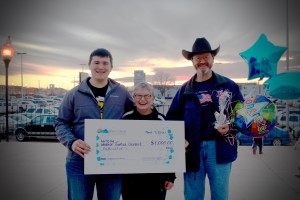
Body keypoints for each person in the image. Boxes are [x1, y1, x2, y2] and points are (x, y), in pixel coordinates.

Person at [166, 37, 244, 200]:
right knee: (193, 196)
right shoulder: (184, 90)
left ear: (213, 59)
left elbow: (242, 113)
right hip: (192, 151)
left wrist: (231, 127)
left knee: (220, 196)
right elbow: (172, 117)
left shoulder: (229, 86)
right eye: (198, 58)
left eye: (206, 57)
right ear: (192, 61)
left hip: (220, 148)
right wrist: (180, 138)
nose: (202, 61)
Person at [55, 48, 134, 200]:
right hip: (79, 161)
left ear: (111, 67)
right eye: (96, 62)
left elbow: (136, 117)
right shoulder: (74, 93)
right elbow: (60, 122)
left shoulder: (122, 92)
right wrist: (71, 142)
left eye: (105, 63)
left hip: (113, 162)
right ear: (89, 65)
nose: (101, 67)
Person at [121, 82, 176, 200]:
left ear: (153, 98)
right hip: (131, 179)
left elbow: (169, 149)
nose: (142, 99)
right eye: (138, 96)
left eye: (147, 96)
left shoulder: (161, 120)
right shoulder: (126, 118)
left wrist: (170, 176)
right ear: (133, 97)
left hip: (156, 179)